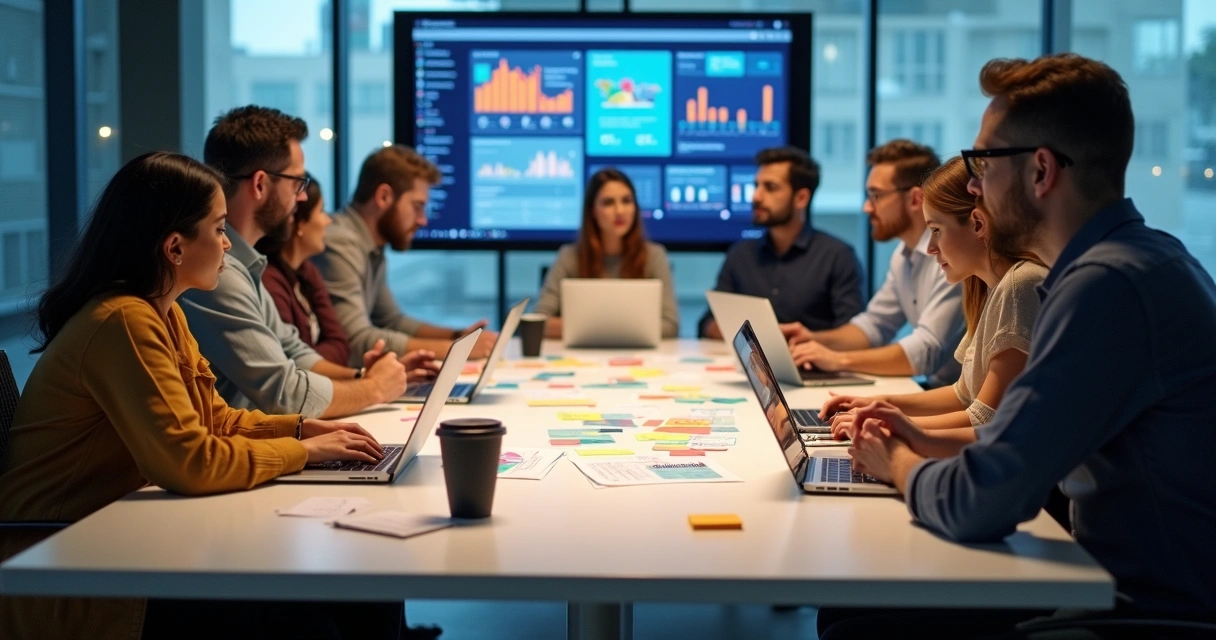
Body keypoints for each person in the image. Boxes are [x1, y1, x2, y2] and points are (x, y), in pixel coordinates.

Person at [823, 54, 1216, 639]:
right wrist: (916, 437)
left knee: (857, 627)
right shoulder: (1138, 261)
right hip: (1119, 586)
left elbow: (981, 501)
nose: (974, 187)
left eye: (983, 162)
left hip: (1146, 615)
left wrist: (895, 461)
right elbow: (1005, 448)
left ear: (1040, 171)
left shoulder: (1107, 287)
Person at [0, 152, 398, 639]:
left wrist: (299, 428)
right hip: (70, 568)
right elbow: (190, 461)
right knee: (308, 623)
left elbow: (215, 420)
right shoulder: (124, 321)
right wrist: (302, 452)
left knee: (361, 587)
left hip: (122, 541)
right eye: (219, 229)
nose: (229, 245)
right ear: (174, 247)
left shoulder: (164, 313)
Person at [180, 106, 429, 419]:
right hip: (242, 448)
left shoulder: (247, 264)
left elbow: (294, 351)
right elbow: (284, 394)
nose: (301, 197)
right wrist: (375, 388)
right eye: (297, 182)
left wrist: (365, 378)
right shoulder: (218, 273)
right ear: (259, 185)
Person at [822, 157, 1047, 449]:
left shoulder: (1021, 284)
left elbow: (986, 419)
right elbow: (963, 395)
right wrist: (879, 404)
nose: (930, 248)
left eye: (936, 230)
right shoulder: (989, 287)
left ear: (978, 224)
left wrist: (889, 424)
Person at [781, 140, 965, 388]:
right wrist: (812, 339)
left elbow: (927, 351)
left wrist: (838, 360)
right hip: (936, 390)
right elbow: (875, 325)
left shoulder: (953, 255)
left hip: (959, 404)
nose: (866, 207)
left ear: (915, 199)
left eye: (875, 196)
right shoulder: (903, 255)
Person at [316, 145, 498, 361]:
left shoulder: (370, 245)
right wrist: (456, 351)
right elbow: (356, 340)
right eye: (417, 206)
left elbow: (392, 321)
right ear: (384, 197)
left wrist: (458, 337)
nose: (423, 220)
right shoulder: (340, 243)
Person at [698, 146, 864, 340]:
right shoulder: (741, 254)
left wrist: (803, 341)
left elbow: (853, 334)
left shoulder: (837, 256)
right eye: (757, 186)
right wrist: (759, 339)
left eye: (770, 188)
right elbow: (707, 324)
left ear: (801, 198)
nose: (756, 196)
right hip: (748, 365)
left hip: (812, 367)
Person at [534, 168, 679, 338]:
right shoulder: (570, 256)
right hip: (582, 358)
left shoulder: (654, 255)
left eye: (626, 201)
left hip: (638, 358)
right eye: (608, 202)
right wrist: (612, 330)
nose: (620, 211)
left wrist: (591, 329)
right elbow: (539, 321)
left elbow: (671, 325)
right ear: (593, 211)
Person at [254, 173, 354, 367]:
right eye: (322, 211)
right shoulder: (269, 281)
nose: (328, 221)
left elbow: (341, 344)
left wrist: (312, 360)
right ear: (298, 222)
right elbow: (291, 363)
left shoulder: (307, 270)